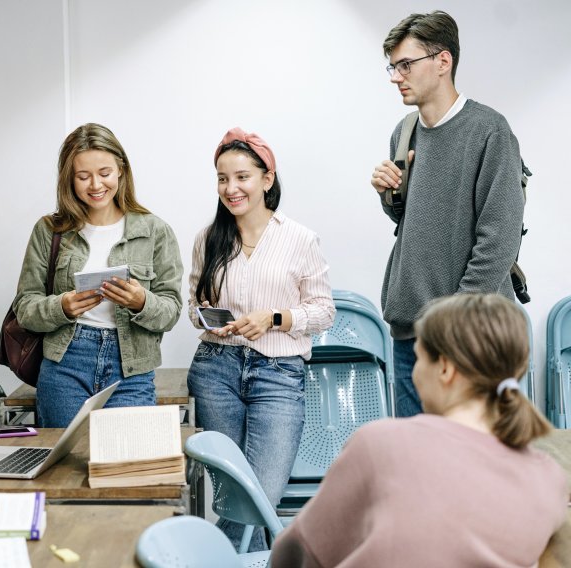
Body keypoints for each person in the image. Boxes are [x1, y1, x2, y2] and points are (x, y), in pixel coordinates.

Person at [270, 293, 566, 568]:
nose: (413, 372)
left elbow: (296, 554)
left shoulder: (382, 444)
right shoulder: (549, 479)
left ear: (445, 369)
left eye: (420, 358)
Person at [369, 11, 525, 417]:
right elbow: (413, 223)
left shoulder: (489, 131)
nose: (395, 76)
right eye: (393, 65)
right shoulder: (403, 133)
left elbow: (499, 240)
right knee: (415, 467)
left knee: (475, 467)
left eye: (406, 64)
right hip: (410, 334)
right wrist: (391, 196)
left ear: (443, 61)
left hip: (469, 337)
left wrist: (452, 323)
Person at [187, 127, 335, 552]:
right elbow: (192, 306)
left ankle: (211, 558)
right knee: (232, 496)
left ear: (267, 179)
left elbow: (323, 311)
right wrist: (208, 319)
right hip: (216, 371)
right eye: (222, 178)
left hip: (279, 375)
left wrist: (275, 318)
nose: (230, 188)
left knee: (258, 497)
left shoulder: (300, 239)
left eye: (242, 177)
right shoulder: (208, 239)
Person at [13, 123, 183, 427]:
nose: (95, 185)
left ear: (121, 170)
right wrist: (62, 307)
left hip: (131, 368)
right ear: (69, 179)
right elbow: (25, 308)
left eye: (104, 173)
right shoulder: (49, 231)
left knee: (125, 467)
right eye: (83, 176)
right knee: (63, 469)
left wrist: (141, 301)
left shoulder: (155, 231)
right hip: (65, 363)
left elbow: (171, 311)